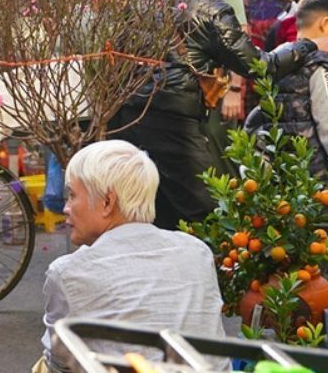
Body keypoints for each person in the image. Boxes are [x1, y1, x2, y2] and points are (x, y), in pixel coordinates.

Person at [109, 0, 322, 230]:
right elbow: (259, 66)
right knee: (214, 214)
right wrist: (305, 46)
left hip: (132, 117)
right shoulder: (211, 8)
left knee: (156, 215)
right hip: (176, 122)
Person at [36, 140, 225, 373]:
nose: (66, 208)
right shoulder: (197, 251)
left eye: (72, 195)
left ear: (107, 202)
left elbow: (58, 361)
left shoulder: (70, 272)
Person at [245, 0, 328, 259]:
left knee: (294, 257)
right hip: (318, 180)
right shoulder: (321, 67)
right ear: (325, 24)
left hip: (283, 178)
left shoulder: (278, 62)